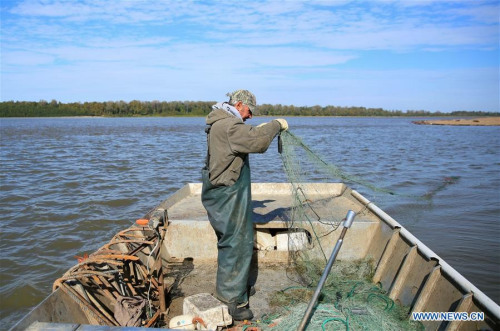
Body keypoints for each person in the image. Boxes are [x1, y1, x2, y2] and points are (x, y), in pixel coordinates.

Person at [201, 90, 288, 321]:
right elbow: (257, 141)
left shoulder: (223, 122)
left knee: (234, 240)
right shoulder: (229, 126)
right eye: (249, 111)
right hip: (227, 193)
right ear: (239, 105)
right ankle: (232, 302)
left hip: (222, 191)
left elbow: (248, 134)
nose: (250, 116)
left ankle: (235, 288)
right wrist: (275, 125)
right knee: (235, 243)